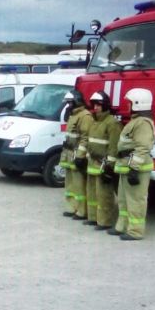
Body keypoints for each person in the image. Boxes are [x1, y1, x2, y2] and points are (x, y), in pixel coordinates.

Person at [108, 88, 155, 240]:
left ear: (138, 104)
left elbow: (143, 148)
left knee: (136, 200)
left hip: (135, 168)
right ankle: (122, 226)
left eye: (129, 103)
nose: (126, 105)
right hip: (126, 165)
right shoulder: (136, 121)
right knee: (123, 199)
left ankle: (135, 231)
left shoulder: (143, 123)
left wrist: (134, 169)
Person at [81, 91, 122, 230]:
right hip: (92, 163)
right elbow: (90, 142)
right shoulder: (94, 121)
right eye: (94, 105)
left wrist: (110, 166)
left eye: (98, 105)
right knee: (92, 193)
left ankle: (105, 222)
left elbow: (113, 146)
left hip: (103, 164)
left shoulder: (112, 123)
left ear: (105, 105)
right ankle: (93, 218)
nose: (96, 108)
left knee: (104, 195)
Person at [59, 90, 93, 219]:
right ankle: (71, 207)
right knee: (70, 183)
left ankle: (81, 210)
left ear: (76, 101)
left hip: (76, 154)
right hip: (68, 153)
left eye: (70, 103)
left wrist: (80, 155)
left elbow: (85, 138)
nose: (68, 105)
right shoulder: (73, 115)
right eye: (67, 103)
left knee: (79, 185)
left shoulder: (85, 116)